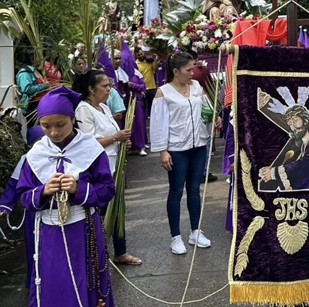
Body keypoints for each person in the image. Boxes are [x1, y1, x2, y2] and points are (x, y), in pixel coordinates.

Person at [16, 86, 115, 307]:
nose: (53, 132)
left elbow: (107, 189)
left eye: (60, 125)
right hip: (49, 234)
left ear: (72, 119)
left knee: (86, 280)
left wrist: (78, 188)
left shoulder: (90, 148)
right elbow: (23, 195)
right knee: (52, 284)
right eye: (46, 126)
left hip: (83, 229)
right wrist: (43, 191)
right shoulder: (36, 154)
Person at [150, 52, 216, 255]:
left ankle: (195, 231)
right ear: (176, 71)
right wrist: (163, 151)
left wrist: (213, 118)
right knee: (176, 192)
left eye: (193, 68)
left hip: (198, 146)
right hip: (177, 149)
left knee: (195, 189)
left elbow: (207, 110)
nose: (192, 73)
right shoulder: (163, 92)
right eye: (188, 70)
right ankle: (175, 236)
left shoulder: (197, 87)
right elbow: (158, 123)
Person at [73, 70, 141, 267]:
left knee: (118, 209)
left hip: (115, 166)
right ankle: (96, 254)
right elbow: (88, 142)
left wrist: (122, 143)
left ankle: (120, 252)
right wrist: (115, 139)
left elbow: (113, 135)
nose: (109, 90)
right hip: (98, 169)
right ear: (91, 89)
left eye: (109, 86)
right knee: (100, 212)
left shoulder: (103, 107)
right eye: (105, 86)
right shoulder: (83, 110)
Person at [0, 126, 45, 290]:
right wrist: (5, 206)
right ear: (30, 146)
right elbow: (13, 185)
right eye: (37, 142)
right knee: (35, 248)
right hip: (34, 213)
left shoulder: (59, 156)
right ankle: (35, 283)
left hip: (59, 212)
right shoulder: (27, 160)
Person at [257, 104, 309, 191]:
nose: (293, 127)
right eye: (290, 124)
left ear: (305, 120)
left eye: (295, 121)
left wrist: (274, 173)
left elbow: (307, 165)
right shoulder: (304, 145)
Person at [189, 50, 218, 182]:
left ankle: (197, 171)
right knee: (205, 140)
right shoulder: (201, 70)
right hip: (203, 108)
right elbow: (209, 85)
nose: (191, 73)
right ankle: (202, 171)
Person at [16, 53, 50, 122]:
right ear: (32, 59)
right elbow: (26, 89)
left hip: (41, 103)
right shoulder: (25, 73)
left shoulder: (36, 71)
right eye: (38, 57)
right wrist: (43, 86)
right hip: (32, 106)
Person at [135, 46, 158, 118]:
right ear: (136, 55)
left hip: (152, 87)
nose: (141, 56)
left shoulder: (149, 61)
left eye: (141, 54)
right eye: (138, 55)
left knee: (153, 105)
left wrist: (155, 60)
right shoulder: (136, 64)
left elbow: (155, 70)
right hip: (143, 88)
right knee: (144, 106)